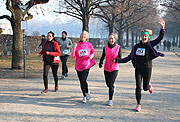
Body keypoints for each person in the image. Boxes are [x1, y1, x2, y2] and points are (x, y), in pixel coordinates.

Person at [114, 18, 165, 112]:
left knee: (145, 88)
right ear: (141, 37)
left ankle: (149, 85)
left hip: (147, 68)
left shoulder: (150, 44)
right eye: (143, 36)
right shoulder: (136, 46)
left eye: (145, 36)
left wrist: (162, 28)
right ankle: (138, 104)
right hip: (138, 69)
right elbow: (129, 58)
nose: (144, 38)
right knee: (138, 87)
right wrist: (118, 61)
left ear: (148, 37)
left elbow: (159, 38)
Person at [71, 30, 96, 103]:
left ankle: (84, 96)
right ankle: (86, 92)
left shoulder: (89, 44)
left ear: (87, 37)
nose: (82, 36)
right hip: (78, 66)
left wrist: (92, 55)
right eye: (82, 35)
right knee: (81, 82)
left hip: (86, 65)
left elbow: (93, 51)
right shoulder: (77, 45)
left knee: (83, 80)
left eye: (84, 35)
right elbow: (72, 56)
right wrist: (74, 48)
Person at [99, 33, 122, 106]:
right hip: (106, 67)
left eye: (112, 38)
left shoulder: (118, 47)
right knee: (108, 84)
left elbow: (120, 58)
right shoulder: (105, 47)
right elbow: (103, 56)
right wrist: (100, 62)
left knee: (111, 84)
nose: (111, 40)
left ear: (115, 39)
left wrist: (116, 60)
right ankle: (112, 85)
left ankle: (110, 99)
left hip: (114, 67)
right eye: (109, 38)